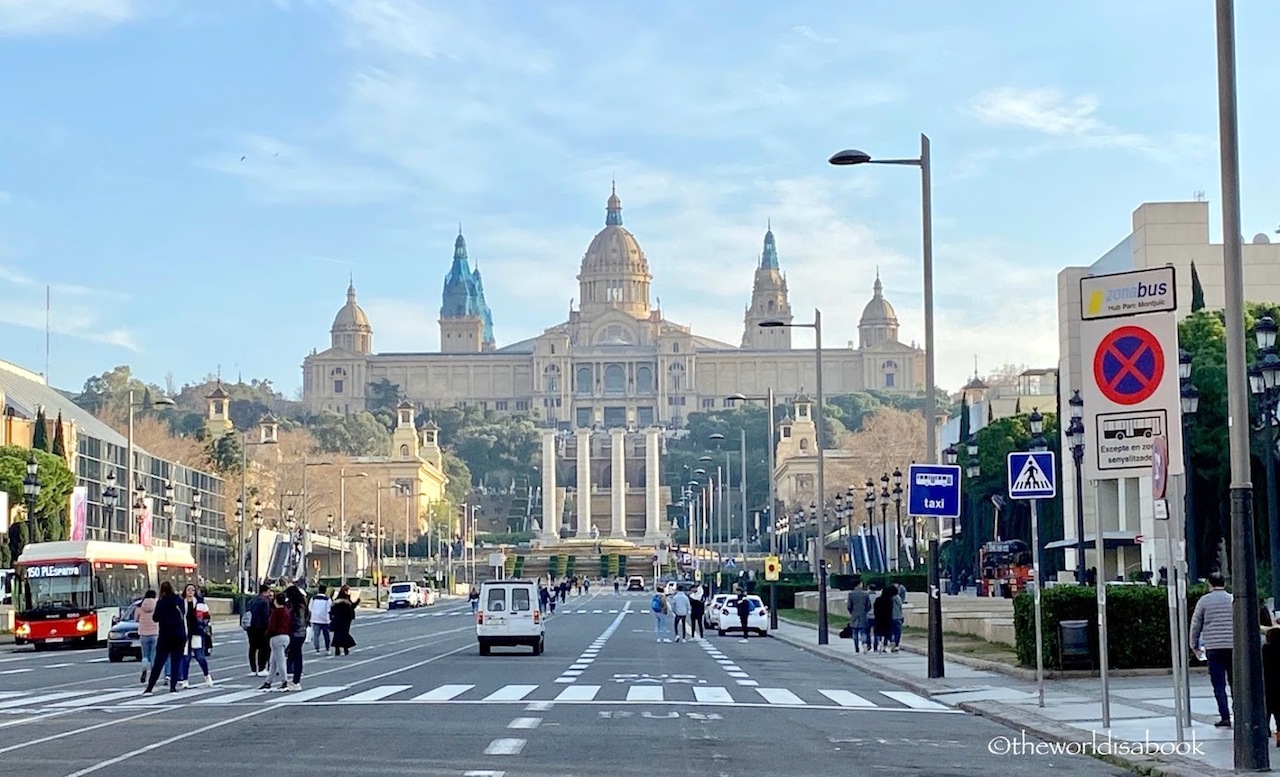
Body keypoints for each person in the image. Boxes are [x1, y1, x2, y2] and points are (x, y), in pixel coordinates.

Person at [1190, 572, 1235, 727]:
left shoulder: (1204, 601)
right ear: (1224, 584)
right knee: (1236, 683)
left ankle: (1225, 717)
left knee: (1219, 685)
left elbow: (1196, 624)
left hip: (1214, 647)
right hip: (1233, 646)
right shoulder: (1232, 599)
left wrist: (1194, 645)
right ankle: (1240, 713)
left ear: (1209, 583)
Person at [143, 582, 186, 694]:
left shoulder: (161, 602)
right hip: (179, 634)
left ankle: (150, 687)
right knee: (175, 662)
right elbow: (184, 613)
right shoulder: (179, 600)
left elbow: (155, 618)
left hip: (165, 635)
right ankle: (173, 687)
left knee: (159, 662)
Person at [178, 583, 213, 688]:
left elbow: (207, 616)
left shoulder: (200, 604)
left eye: (192, 590)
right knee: (186, 658)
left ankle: (207, 675)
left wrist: (203, 625)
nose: (190, 592)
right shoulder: (180, 603)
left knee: (200, 657)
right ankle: (185, 679)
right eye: (188, 590)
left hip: (197, 633)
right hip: (185, 633)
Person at [260, 593, 292, 691]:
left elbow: (272, 626)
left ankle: (284, 681)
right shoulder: (287, 611)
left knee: (280, 661)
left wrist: (267, 634)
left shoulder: (276, 612)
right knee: (273, 661)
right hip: (286, 636)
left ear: (276, 601)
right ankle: (268, 681)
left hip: (276, 637)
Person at [284, 585, 308, 691]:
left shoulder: (296, 607)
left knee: (296, 655)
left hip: (295, 633)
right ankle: (294, 679)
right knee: (295, 655)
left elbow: (297, 621)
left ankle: (296, 680)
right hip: (301, 632)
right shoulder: (302, 604)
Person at [246, 584, 272, 677]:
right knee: (264, 648)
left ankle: (253, 669)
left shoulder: (253, 600)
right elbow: (265, 615)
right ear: (265, 591)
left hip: (251, 626)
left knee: (252, 648)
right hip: (261, 627)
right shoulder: (265, 601)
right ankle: (261, 668)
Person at [136, 590, 158, 684]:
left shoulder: (140, 605)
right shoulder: (157, 604)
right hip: (155, 633)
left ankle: (144, 668)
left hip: (143, 633)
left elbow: (135, 618)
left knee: (145, 655)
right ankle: (153, 675)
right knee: (153, 654)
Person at [330, 586, 357, 656]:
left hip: (337, 619)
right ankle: (345, 649)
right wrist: (357, 602)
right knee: (344, 633)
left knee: (337, 634)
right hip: (345, 619)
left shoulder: (337, 599)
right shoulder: (346, 599)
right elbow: (351, 607)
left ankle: (337, 649)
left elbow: (332, 608)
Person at [1265, 626, 1280, 748]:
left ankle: (1265, 731)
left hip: (1267, 684)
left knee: (1266, 710)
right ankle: (1279, 736)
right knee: (1279, 713)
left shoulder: (1266, 649)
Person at [846, 582, 871, 653]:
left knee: (855, 633)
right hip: (863, 615)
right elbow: (868, 605)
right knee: (863, 632)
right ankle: (864, 643)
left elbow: (849, 606)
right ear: (859, 584)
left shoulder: (851, 594)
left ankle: (856, 647)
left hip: (854, 615)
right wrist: (864, 611)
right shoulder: (865, 594)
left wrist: (852, 612)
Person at [872, 585, 896, 654]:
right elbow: (890, 611)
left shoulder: (878, 600)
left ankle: (878, 643)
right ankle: (884, 646)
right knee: (886, 634)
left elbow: (875, 609)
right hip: (887, 620)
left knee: (878, 633)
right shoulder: (889, 600)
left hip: (878, 619)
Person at [309, 585, 332, 654]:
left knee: (316, 635)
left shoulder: (313, 598)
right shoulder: (327, 599)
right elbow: (329, 609)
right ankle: (327, 649)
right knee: (326, 635)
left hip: (315, 618)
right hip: (325, 619)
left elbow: (310, 608)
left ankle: (317, 649)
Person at [889, 581, 905, 652]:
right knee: (897, 632)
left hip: (889, 617)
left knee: (891, 631)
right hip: (897, 617)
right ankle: (896, 645)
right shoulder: (898, 597)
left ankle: (892, 641)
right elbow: (900, 607)